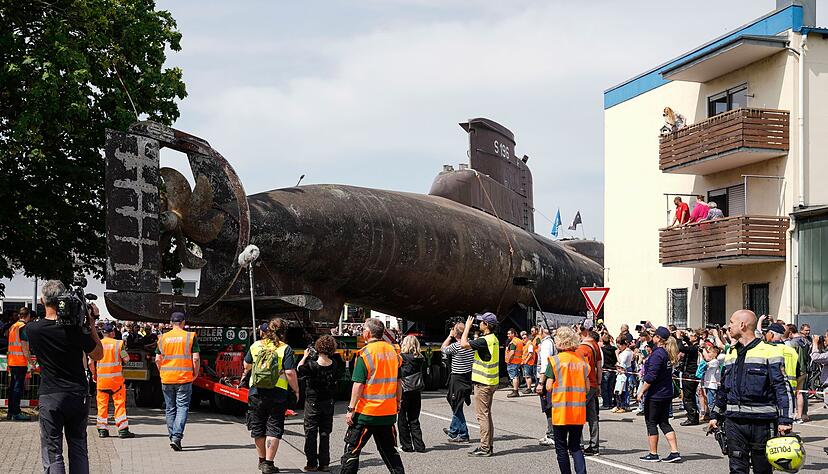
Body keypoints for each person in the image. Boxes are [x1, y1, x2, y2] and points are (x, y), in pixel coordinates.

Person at [27, 280, 104, 473]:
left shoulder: (33, 330)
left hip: (50, 395)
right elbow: (98, 354)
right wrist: (91, 324)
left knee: (52, 450)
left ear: (42, 300)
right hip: (77, 395)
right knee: (78, 447)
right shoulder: (75, 330)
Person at [709, 310, 793, 474]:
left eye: (731, 322)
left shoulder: (770, 351)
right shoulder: (731, 353)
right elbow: (724, 389)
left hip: (761, 423)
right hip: (734, 422)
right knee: (737, 469)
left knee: (762, 469)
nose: (729, 326)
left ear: (742, 325)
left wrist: (785, 419)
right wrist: (715, 415)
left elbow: (782, 387)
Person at [341, 318, 405, 473]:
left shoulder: (365, 353)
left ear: (367, 333)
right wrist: (398, 402)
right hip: (387, 413)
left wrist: (351, 409)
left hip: (366, 413)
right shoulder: (393, 352)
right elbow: (398, 382)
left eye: (363, 329)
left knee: (352, 451)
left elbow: (358, 384)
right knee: (389, 451)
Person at [241, 319, 299, 473]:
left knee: (258, 426)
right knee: (274, 427)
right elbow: (290, 373)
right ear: (283, 331)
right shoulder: (285, 348)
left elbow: (246, 366)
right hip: (277, 393)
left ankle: (261, 460)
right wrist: (296, 390)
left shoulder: (256, 345)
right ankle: (269, 463)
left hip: (256, 392)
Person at [544, 326, 589, 474]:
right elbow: (587, 387)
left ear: (559, 342)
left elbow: (549, 386)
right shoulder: (582, 360)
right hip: (578, 411)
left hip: (561, 411)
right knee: (576, 446)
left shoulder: (555, 360)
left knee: (561, 448)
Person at [155, 311, 200, 452]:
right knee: (182, 407)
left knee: (170, 408)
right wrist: (195, 373)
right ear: (183, 323)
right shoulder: (190, 336)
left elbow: (157, 359)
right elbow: (196, 358)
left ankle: (172, 436)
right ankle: (176, 437)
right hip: (184, 378)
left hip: (167, 378)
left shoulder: (162, 338)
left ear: (170, 323)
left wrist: (162, 372)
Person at [637, 327, 681, 463]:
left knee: (651, 423)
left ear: (658, 338)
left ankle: (653, 453)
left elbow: (651, 376)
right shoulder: (665, 353)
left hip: (656, 394)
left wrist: (641, 391)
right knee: (664, 422)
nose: (652, 337)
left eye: (654, 335)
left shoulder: (657, 354)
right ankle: (674, 452)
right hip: (666, 393)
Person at [460, 312, 500, 457]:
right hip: (491, 382)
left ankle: (484, 448)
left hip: (483, 383)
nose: (479, 324)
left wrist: (467, 328)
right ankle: (488, 445)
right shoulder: (493, 339)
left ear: (487, 325)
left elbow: (463, 344)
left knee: (482, 416)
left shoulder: (485, 340)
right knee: (487, 415)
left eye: (481, 322)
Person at [298, 334, 338, 472]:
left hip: (313, 402)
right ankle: (324, 463)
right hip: (328, 402)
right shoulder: (334, 364)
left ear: (318, 347)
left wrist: (304, 356)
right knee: (325, 433)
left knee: (311, 432)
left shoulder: (311, 365)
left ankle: (311, 463)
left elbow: (299, 369)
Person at [90, 323, 135, 439]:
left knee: (102, 405)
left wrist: (94, 374)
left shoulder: (97, 344)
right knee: (119, 404)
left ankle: (102, 430)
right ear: (112, 333)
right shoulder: (119, 344)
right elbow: (126, 359)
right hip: (116, 381)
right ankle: (123, 430)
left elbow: (91, 362)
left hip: (102, 380)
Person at [441, 321, 473, 443]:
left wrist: (449, 336)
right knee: (457, 404)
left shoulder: (457, 346)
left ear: (456, 333)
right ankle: (454, 429)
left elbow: (443, 349)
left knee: (456, 405)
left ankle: (463, 434)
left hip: (457, 378)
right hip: (466, 377)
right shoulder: (469, 345)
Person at [576, 325, 601, 455]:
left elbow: (582, 369)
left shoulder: (582, 349)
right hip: (593, 384)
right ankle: (594, 445)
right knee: (592, 416)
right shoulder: (596, 347)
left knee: (578, 414)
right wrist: (599, 384)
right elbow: (599, 367)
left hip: (584, 385)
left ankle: (578, 444)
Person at [398, 335, 426, 453]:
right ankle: (419, 445)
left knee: (402, 419)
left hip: (404, 390)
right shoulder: (420, 358)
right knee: (414, 418)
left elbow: (399, 374)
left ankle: (407, 445)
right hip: (416, 389)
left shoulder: (401, 357)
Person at [7, 306, 32, 421]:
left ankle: (11, 412)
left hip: (12, 361)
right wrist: (30, 362)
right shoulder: (23, 327)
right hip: (20, 362)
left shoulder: (13, 326)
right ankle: (16, 412)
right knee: (17, 387)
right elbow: (24, 347)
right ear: (28, 316)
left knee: (13, 387)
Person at [535, 326, 557, 446]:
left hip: (547, 379)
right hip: (550, 378)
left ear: (542, 330)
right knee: (549, 407)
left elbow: (545, 364)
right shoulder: (551, 342)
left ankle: (552, 434)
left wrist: (541, 383)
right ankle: (551, 432)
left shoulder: (546, 344)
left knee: (548, 407)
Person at [788, 324, 811, 423]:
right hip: (804, 370)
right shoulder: (805, 341)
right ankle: (801, 414)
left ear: (790, 332)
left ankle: (796, 415)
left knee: (793, 393)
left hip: (796, 370)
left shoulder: (793, 343)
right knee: (801, 393)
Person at [677, 330, 700, 426]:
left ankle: (692, 418)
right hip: (688, 373)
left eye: (692, 336)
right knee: (689, 397)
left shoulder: (694, 348)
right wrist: (685, 336)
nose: (690, 337)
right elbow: (688, 344)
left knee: (688, 398)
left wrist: (679, 338)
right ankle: (693, 416)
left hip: (690, 374)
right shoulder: (692, 346)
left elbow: (681, 348)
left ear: (696, 338)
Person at [701, 344, 722, 421]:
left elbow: (705, 363)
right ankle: (711, 416)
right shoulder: (712, 361)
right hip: (708, 384)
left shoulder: (715, 361)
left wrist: (703, 351)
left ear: (715, 353)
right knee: (709, 401)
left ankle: (714, 417)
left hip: (712, 385)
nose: (708, 354)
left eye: (710, 352)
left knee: (711, 402)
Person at [612, 338, 633, 413]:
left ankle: (624, 405)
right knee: (619, 389)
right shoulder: (626, 351)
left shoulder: (626, 353)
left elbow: (621, 363)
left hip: (624, 371)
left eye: (620, 346)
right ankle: (619, 405)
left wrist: (617, 354)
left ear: (624, 345)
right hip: (622, 371)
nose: (619, 348)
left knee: (623, 389)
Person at [505, 328, 524, 398]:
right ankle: (516, 390)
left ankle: (515, 391)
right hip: (518, 361)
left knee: (514, 377)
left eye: (509, 334)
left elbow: (512, 352)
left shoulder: (513, 342)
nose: (508, 335)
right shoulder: (520, 341)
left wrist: (508, 361)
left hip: (512, 361)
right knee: (516, 376)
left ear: (513, 334)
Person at [599, 334, 617, 409]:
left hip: (606, 369)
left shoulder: (602, 349)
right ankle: (610, 403)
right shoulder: (614, 349)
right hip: (613, 369)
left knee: (605, 388)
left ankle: (606, 404)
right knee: (610, 388)